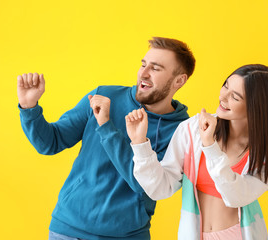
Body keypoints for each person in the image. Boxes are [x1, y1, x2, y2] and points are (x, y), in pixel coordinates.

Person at [17, 37, 196, 240]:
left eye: (156, 68)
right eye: (143, 64)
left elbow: (147, 185)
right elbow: (51, 142)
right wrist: (29, 107)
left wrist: (106, 127)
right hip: (67, 230)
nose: (143, 74)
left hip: (127, 236)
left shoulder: (183, 130)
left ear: (179, 80)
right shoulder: (103, 95)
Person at [125, 64, 268, 240]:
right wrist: (140, 143)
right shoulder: (193, 129)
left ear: (255, 107)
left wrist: (210, 147)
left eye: (235, 97)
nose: (223, 97)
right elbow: (161, 188)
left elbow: (235, 197)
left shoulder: (264, 155)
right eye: (226, 86)